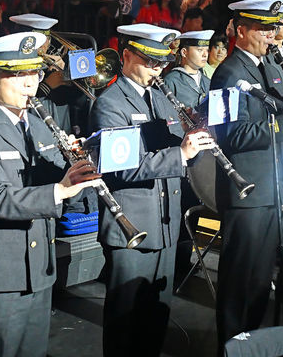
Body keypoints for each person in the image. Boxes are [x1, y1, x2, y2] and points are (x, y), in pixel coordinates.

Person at [0, 31, 100, 357]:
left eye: (34, 72)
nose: (29, 83)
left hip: (41, 269)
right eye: (17, 75)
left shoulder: (39, 123)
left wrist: (76, 172)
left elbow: (62, 196)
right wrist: (59, 190)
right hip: (1, 274)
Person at [90, 23, 211, 357]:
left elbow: (174, 150)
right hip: (133, 227)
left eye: (161, 63)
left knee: (156, 318)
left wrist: (195, 140)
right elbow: (123, 168)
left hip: (165, 224)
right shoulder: (110, 103)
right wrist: (180, 154)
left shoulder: (160, 97)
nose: (157, 69)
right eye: (150, 61)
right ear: (127, 56)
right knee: (125, 324)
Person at [211, 0, 283, 349]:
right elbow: (232, 135)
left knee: (259, 281)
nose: (271, 35)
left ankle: (252, 346)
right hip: (246, 194)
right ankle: (231, 347)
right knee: (238, 281)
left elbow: (282, 114)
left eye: (273, 29)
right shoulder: (228, 73)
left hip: (273, 187)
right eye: (263, 29)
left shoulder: (268, 66)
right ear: (241, 30)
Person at [162, 30, 213, 110]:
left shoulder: (207, 82)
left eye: (207, 50)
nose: (205, 55)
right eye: (200, 50)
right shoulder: (171, 81)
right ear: (184, 52)